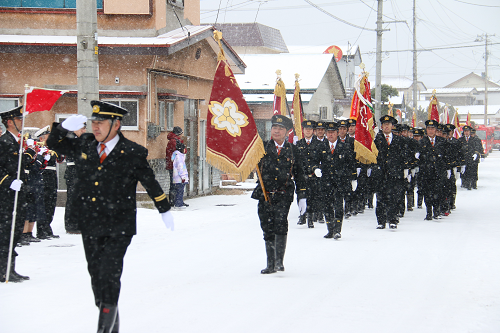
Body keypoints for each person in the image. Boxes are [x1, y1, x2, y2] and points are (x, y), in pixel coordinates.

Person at [47, 101, 174, 333]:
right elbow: (54, 143)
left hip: (119, 225)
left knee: (109, 271)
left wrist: (163, 207)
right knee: (96, 274)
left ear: (116, 124)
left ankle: (104, 328)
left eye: (100, 123)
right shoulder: (84, 144)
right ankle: (110, 319)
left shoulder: (133, 152)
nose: (95, 127)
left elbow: (149, 181)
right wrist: (62, 127)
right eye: (93, 122)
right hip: (90, 223)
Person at [251, 115, 306, 274]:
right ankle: (270, 263)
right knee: (267, 227)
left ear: (287, 132)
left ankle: (279, 262)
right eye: (274, 127)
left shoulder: (293, 150)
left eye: (280, 128)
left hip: (283, 193)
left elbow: (300, 174)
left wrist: (302, 195)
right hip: (265, 193)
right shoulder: (261, 147)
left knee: (280, 224)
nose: (276, 130)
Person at [0, 105, 35, 283]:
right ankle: (4, 270)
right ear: (9, 122)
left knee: (14, 232)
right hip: (6, 195)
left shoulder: (17, 142)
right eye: (19, 119)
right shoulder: (4, 142)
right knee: (6, 232)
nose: (22, 122)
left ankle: (10, 268)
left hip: (18, 194)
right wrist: (8, 181)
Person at [320, 122, 356, 239]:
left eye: (333, 132)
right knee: (327, 206)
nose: (330, 135)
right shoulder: (321, 147)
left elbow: (351, 164)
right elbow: (314, 161)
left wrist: (353, 178)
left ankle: (337, 230)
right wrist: (315, 168)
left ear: (337, 133)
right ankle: (330, 229)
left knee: (338, 206)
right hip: (326, 182)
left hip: (340, 182)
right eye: (328, 132)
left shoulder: (344, 147)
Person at [373, 115, 409, 229]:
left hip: (395, 173)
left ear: (392, 126)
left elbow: (404, 155)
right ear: (381, 126)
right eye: (384, 125)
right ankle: (381, 221)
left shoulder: (399, 140)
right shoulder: (376, 139)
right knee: (381, 198)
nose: (386, 126)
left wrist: (405, 168)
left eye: (388, 125)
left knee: (394, 197)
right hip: (381, 173)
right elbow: (372, 155)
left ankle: (393, 220)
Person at [36, 125, 63, 239]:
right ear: (41, 138)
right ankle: (41, 230)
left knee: (51, 203)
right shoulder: (39, 149)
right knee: (44, 203)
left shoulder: (52, 148)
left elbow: (60, 159)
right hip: (43, 176)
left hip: (52, 176)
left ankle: (47, 227)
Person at [417, 120, 448, 220]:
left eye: (433, 129)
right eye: (429, 129)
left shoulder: (442, 141)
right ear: (426, 130)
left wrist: (448, 168)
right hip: (426, 172)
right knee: (427, 193)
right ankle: (429, 212)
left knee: (438, 192)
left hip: (439, 172)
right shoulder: (422, 142)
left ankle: (437, 211)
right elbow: (419, 157)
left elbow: (446, 156)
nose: (431, 131)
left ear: (436, 130)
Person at [295, 120, 322, 227]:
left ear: (313, 131)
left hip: (314, 174)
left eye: (310, 129)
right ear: (303, 130)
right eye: (306, 129)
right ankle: (302, 216)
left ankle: (310, 218)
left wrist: (317, 169)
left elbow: (321, 159)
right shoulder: (299, 143)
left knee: (312, 196)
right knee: (301, 195)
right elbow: (297, 160)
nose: (308, 131)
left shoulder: (319, 144)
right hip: (301, 174)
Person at [64, 122, 87, 234]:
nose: (84, 131)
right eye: (82, 129)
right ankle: (71, 225)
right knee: (72, 199)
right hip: (73, 172)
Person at [166, 126, 186, 205]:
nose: (182, 135)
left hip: (175, 165)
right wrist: (182, 149)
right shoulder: (174, 141)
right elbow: (181, 151)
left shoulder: (175, 140)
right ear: (178, 134)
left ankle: (176, 201)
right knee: (175, 184)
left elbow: (183, 150)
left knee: (176, 183)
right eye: (181, 133)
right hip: (175, 166)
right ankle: (174, 201)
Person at [458, 125, 483, 190]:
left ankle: (473, 184)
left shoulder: (474, 139)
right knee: (464, 172)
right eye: (465, 131)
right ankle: (465, 183)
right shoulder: (460, 140)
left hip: (472, 159)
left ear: (470, 132)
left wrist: (476, 153)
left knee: (473, 172)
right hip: (464, 159)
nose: (466, 132)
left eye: (468, 131)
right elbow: (458, 149)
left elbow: (477, 147)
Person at [171, 141, 189, 210]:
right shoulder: (179, 157)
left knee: (179, 191)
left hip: (177, 178)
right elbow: (180, 168)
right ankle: (179, 204)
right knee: (180, 191)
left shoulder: (177, 156)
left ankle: (178, 203)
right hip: (180, 178)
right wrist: (183, 177)